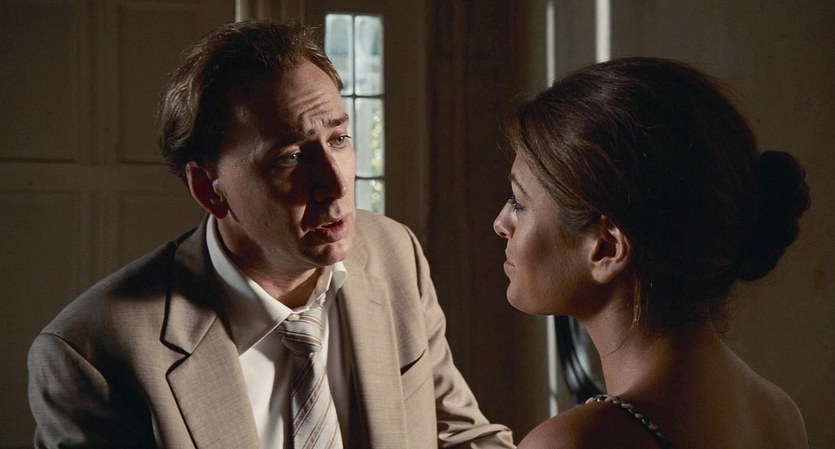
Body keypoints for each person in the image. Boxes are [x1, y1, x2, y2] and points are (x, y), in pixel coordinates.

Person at [28, 20, 514, 448]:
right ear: (210, 189)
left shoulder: (393, 254)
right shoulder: (91, 353)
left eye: (339, 139)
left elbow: (458, 434)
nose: (337, 184)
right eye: (291, 157)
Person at [493, 57, 810, 448]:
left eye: (519, 203)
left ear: (606, 248)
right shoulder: (778, 412)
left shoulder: (575, 442)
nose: (500, 222)